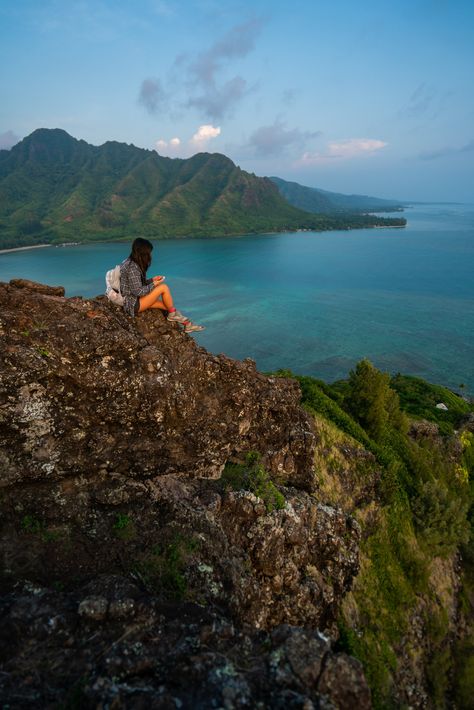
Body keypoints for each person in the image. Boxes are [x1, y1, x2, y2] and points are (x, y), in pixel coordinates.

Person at [120, 237, 204, 333]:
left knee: (168, 306)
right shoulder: (132, 267)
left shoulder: (130, 262)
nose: (150, 255)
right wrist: (154, 284)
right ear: (143, 253)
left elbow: (136, 284)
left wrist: (152, 280)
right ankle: (173, 316)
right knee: (163, 287)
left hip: (135, 300)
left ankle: (187, 324)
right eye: (149, 253)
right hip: (133, 303)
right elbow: (137, 291)